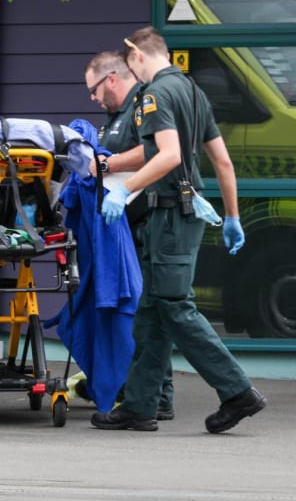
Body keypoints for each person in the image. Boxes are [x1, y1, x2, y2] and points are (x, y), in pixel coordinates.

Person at [92, 26, 265, 434]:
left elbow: (168, 156)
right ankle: (139, 406)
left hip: (170, 217)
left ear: (136, 56)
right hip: (177, 217)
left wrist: (125, 191)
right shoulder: (192, 92)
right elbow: (222, 162)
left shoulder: (154, 95)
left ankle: (237, 391)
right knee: (150, 312)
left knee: (175, 308)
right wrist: (233, 216)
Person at [84, 51, 175, 421]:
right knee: (138, 315)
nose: (91, 97)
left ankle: (159, 396)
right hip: (124, 225)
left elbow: (151, 151)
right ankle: (137, 390)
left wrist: (106, 164)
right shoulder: (113, 119)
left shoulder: (143, 104)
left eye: (92, 89)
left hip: (149, 221)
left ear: (110, 79)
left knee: (153, 309)